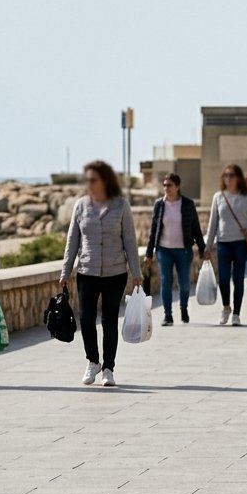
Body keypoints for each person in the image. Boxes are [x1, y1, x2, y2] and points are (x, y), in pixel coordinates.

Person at [60, 160, 142, 387]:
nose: (89, 184)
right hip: (87, 271)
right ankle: (92, 361)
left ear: (105, 180)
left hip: (116, 273)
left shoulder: (121, 205)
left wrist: (136, 272)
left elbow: (130, 241)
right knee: (86, 320)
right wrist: (65, 271)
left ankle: (108, 368)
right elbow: (72, 241)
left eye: (93, 179)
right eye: (87, 180)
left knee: (109, 321)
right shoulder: (81, 206)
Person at [205, 164, 247, 326]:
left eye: (231, 175)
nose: (228, 178)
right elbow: (213, 223)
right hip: (223, 243)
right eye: (225, 175)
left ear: (238, 177)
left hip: (240, 243)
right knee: (223, 279)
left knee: (238, 279)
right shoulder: (218, 197)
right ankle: (226, 307)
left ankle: (236, 314)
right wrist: (207, 246)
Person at [144, 173, 204, 326]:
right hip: (164, 250)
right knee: (166, 282)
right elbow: (153, 230)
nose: (166, 188)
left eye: (169, 185)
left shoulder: (187, 204)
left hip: (184, 250)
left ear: (177, 186)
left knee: (184, 284)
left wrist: (203, 249)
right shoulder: (159, 204)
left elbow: (196, 228)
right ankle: (168, 315)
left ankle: (183, 309)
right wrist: (149, 253)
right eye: (164, 185)